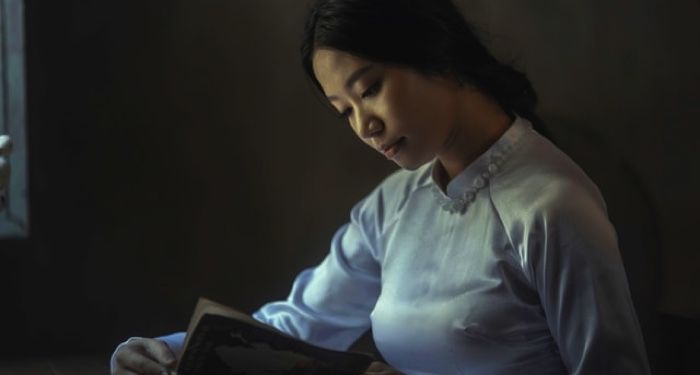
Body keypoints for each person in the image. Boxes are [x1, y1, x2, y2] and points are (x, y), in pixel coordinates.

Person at [110, 0, 651, 374]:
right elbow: (300, 325)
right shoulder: (393, 205)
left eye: (370, 89)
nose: (363, 126)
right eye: (343, 111)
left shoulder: (552, 207)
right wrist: (167, 351)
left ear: (435, 52)